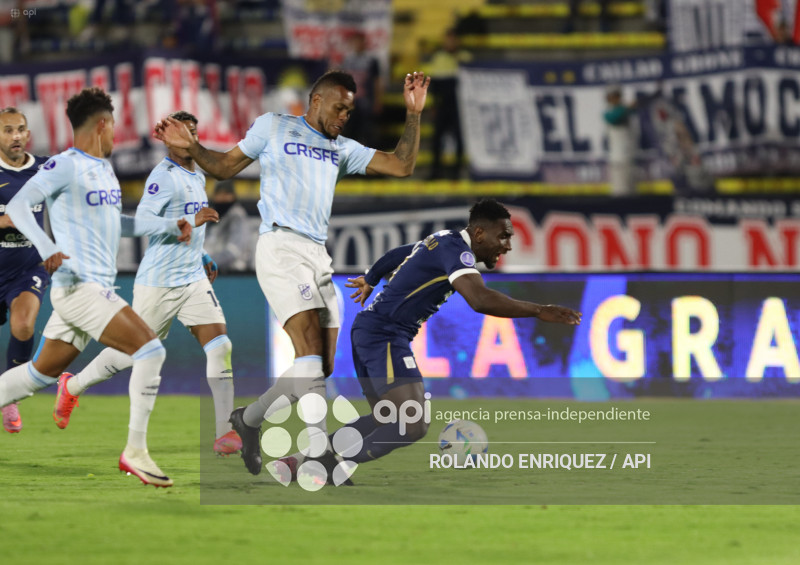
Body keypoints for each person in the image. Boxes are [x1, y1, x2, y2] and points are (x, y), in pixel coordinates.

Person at [155, 69, 431, 476]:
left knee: (320, 368)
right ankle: (317, 451)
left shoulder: (342, 148)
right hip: (279, 246)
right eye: (339, 107)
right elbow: (226, 168)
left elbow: (402, 165)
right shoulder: (273, 127)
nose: (344, 116)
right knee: (307, 350)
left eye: (350, 111)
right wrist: (193, 146)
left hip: (317, 254)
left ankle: (248, 420)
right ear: (316, 100)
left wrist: (413, 113)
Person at [272, 199, 582, 483]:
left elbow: (399, 254)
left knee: (387, 420)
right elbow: (480, 299)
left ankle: (300, 461)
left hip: (371, 330)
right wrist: (540, 310)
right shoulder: (456, 252)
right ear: (478, 234)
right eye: (503, 236)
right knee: (412, 424)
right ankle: (326, 462)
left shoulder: (443, 240)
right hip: (384, 334)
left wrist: (371, 277)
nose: (508, 245)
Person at [0, 87, 217, 488]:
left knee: (40, 374)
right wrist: (47, 247)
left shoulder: (103, 168)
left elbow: (118, 224)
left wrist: (170, 227)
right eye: (114, 124)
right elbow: (16, 208)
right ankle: (135, 452)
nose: (117, 132)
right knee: (150, 350)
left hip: (93, 287)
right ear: (102, 125)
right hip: (77, 286)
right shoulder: (64, 165)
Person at [52, 110, 241, 456]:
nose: (190, 139)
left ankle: (225, 431)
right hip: (159, 282)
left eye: (194, 133)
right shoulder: (163, 177)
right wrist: (190, 219)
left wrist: (201, 255)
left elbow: (186, 233)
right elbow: (142, 222)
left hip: (192, 279)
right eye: (182, 132)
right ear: (169, 139)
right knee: (129, 355)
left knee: (220, 346)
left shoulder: (197, 175)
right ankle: (73, 385)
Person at [0, 107, 50, 433]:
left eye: (20, 129)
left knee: (23, 325)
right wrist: (8, 221)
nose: (15, 136)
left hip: (27, 268)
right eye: (7, 130)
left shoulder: (46, 169)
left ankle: (10, 395)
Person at [425, 29, 471, 180]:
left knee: (459, 139)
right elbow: (434, 85)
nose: (450, 43)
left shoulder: (465, 57)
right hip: (442, 104)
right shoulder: (438, 58)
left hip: (459, 105)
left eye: (453, 39)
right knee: (437, 139)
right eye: (448, 39)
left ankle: (456, 173)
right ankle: (435, 171)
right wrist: (433, 105)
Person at [339, 31, 383, 148]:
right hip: (351, 101)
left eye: (359, 41)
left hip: (366, 101)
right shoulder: (347, 60)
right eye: (354, 42)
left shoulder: (371, 60)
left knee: (368, 132)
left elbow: (376, 81)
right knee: (350, 131)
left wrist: (377, 100)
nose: (356, 44)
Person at [203, 180, 251, 272]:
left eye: (226, 194)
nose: (223, 197)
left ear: (233, 196)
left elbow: (234, 250)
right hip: (211, 268)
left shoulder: (237, 214)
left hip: (233, 271)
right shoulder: (211, 213)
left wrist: (208, 263)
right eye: (219, 194)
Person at [603, 84, 637, 196]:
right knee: (621, 194)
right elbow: (614, 118)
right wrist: (627, 107)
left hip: (628, 158)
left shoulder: (624, 110)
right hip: (618, 160)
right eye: (612, 96)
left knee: (632, 193)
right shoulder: (609, 112)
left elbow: (633, 111)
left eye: (617, 95)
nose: (615, 98)